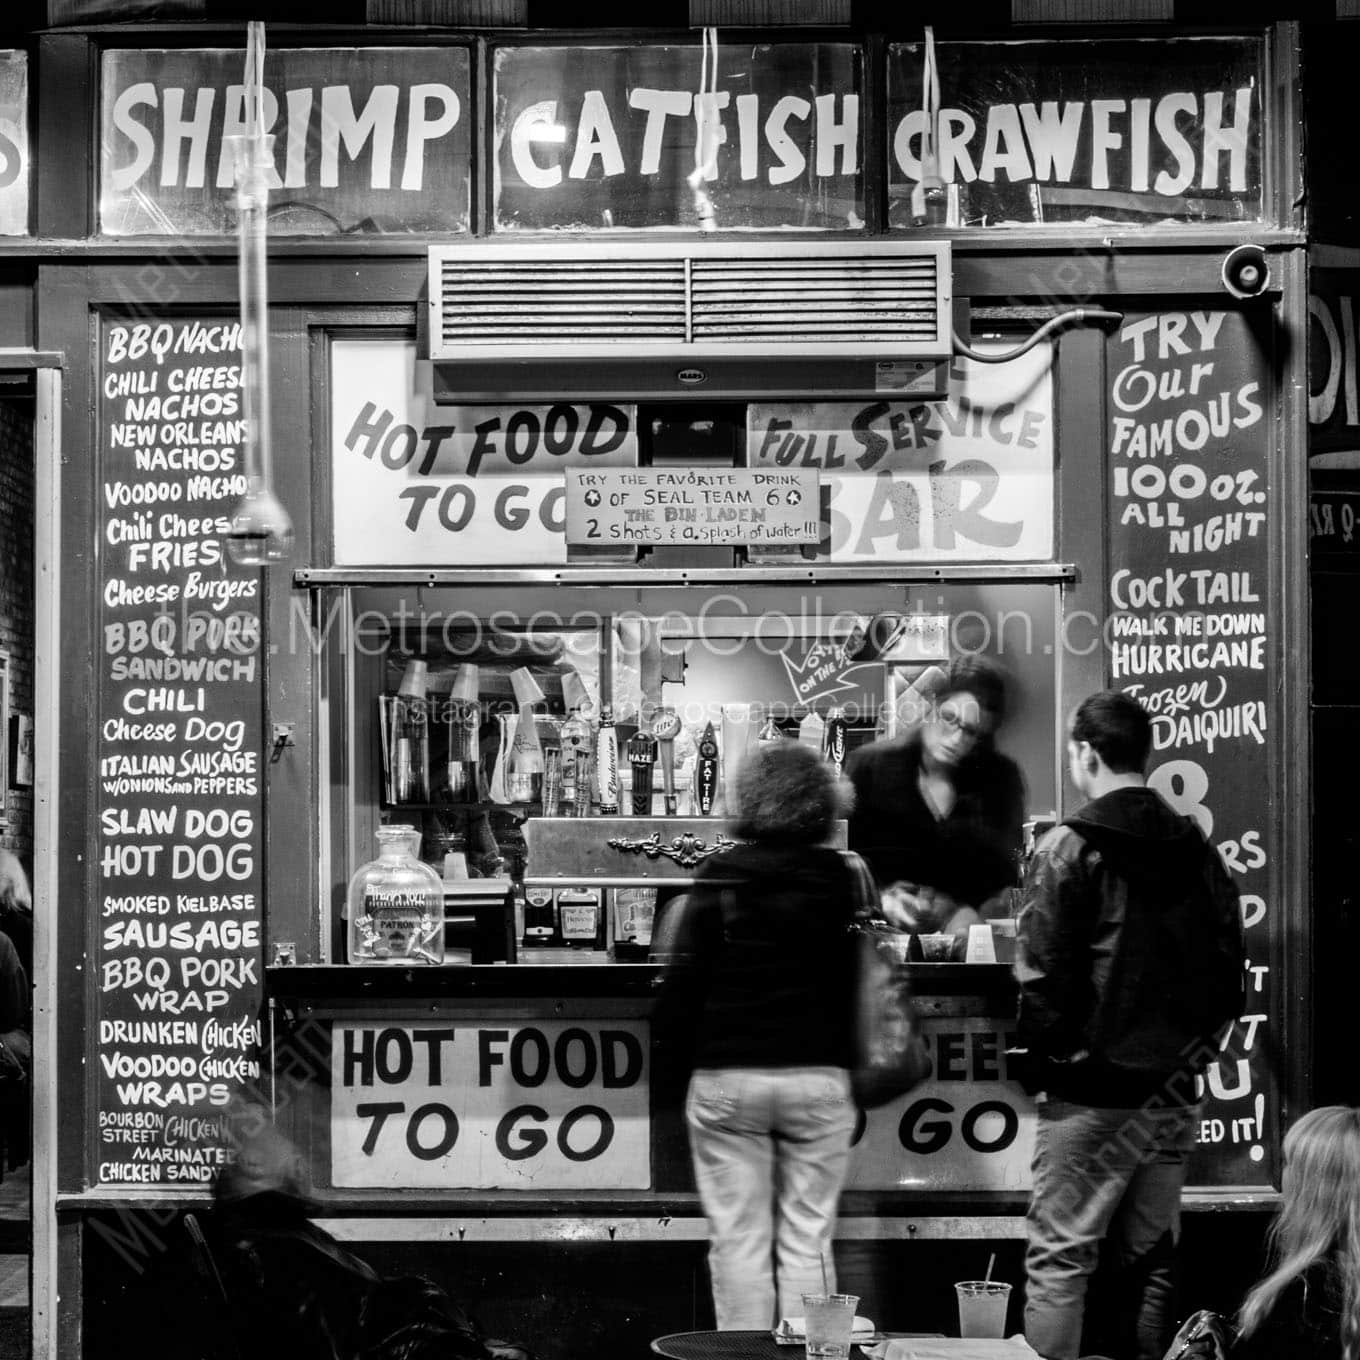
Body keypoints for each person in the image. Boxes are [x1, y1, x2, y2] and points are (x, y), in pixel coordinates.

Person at [1015, 691, 1245, 1360]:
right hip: (1174, 1094)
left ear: (1084, 752)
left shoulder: (1068, 846)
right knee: (1151, 1260)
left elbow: (1041, 977)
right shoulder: (1201, 852)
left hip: (1091, 1095)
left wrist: (1045, 1063)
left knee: (1061, 1259)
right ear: (1143, 754)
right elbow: (1230, 973)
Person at [661, 741, 860, 1331]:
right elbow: (851, 985)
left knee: (739, 1243)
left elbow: (683, 988)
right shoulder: (837, 878)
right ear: (817, 804)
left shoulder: (719, 874)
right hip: (817, 1077)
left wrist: (673, 1081)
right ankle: (814, 1350)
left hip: (728, 1076)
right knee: (808, 1240)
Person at [846, 656, 1025, 951]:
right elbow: (844, 862)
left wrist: (974, 911)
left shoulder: (999, 780)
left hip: (967, 952)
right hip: (881, 945)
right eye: (950, 718)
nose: (956, 738)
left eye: (972, 732)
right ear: (933, 703)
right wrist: (881, 897)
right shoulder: (871, 766)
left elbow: (1005, 876)